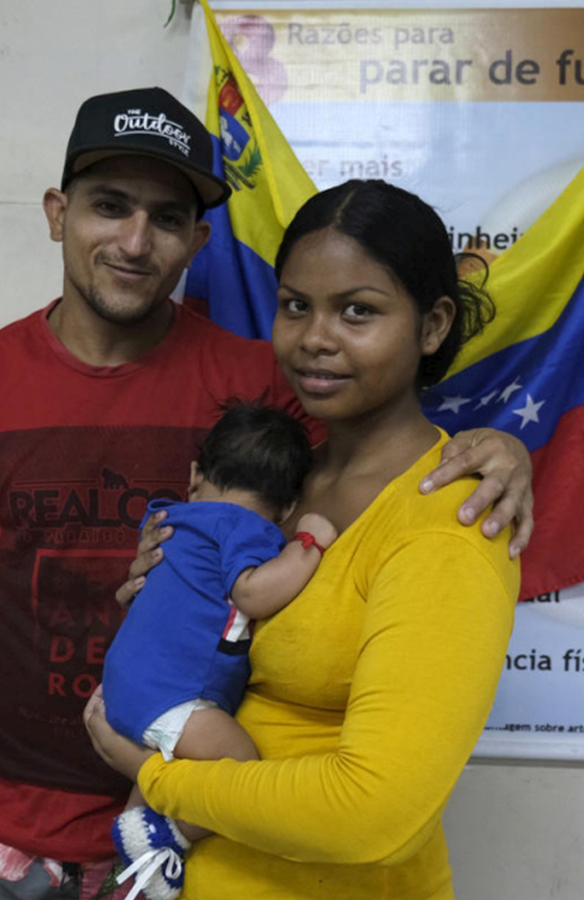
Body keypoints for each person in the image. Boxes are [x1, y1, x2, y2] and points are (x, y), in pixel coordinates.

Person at [0, 85, 533, 900]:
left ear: (198, 241)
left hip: (174, 830)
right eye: (109, 205)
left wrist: (505, 447)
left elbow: (390, 463)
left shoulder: (265, 389)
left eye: (167, 218)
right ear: (57, 212)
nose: (135, 242)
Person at [85, 179, 521, 900]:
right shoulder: (283, 490)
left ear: (434, 325)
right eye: (297, 306)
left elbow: (370, 813)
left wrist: (155, 773)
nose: (316, 338)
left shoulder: (451, 526)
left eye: (358, 311)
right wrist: (166, 589)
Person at [101, 403, 336, 900]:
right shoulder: (246, 529)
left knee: (168, 765)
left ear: (194, 476)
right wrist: (309, 544)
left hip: (126, 683)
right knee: (240, 765)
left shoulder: (171, 520)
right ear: (288, 505)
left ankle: (134, 839)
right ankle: (171, 839)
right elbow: (252, 592)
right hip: (176, 694)